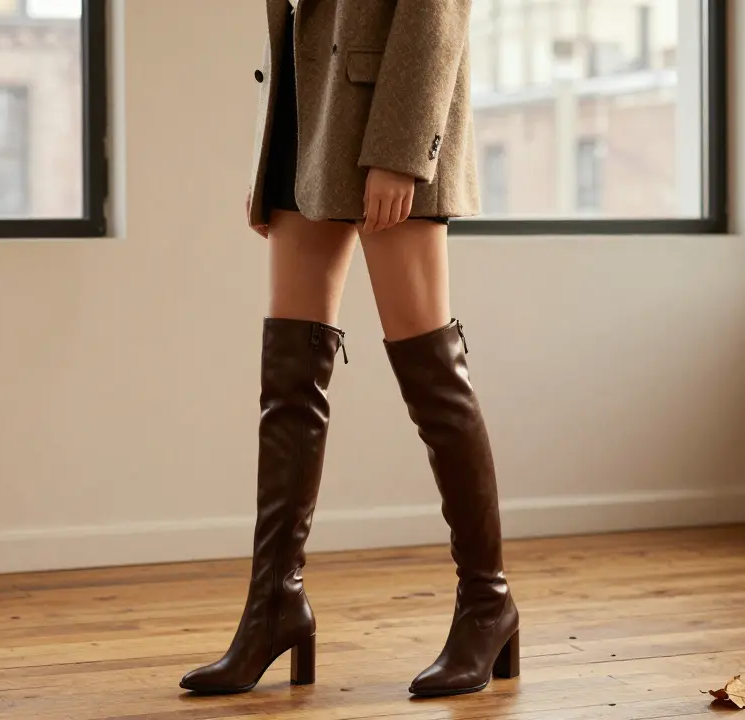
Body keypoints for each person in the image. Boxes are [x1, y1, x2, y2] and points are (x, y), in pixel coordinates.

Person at [179, 0, 519, 699]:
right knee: (289, 380)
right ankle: (274, 606)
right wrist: (273, 152)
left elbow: (435, 12)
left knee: (431, 372)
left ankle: (488, 603)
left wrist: (399, 151)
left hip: (384, 126)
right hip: (309, 123)